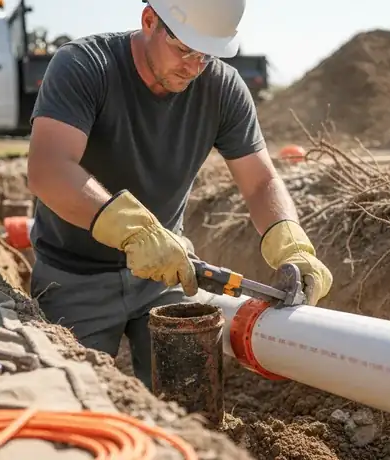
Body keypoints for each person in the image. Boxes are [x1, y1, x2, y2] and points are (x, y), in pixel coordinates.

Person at [26, 0, 333, 390]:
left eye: (207, 55)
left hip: (166, 274)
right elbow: (48, 169)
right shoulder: (85, 65)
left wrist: (291, 244)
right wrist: (135, 232)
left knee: (189, 402)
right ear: (150, 20)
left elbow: (260, 183)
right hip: (73, 278)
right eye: (184, 49)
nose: (194, 66)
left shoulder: (221, 88)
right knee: (74, 403)